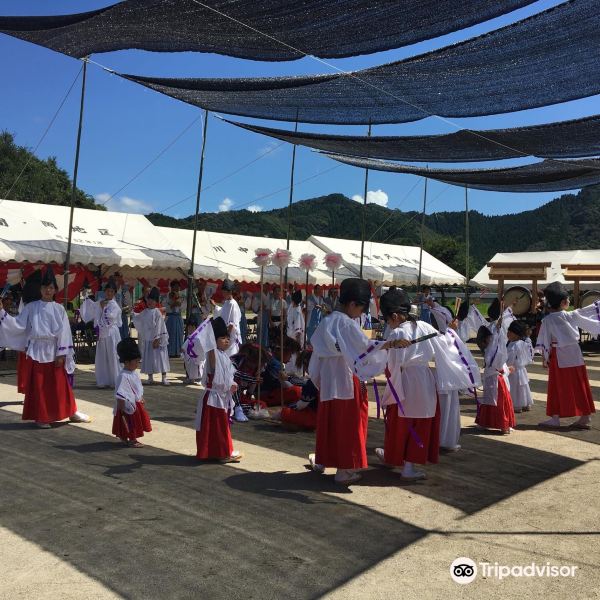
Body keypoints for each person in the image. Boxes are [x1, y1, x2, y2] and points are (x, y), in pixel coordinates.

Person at [375, 289, 480, 479]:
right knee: (420, 423)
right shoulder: (425, 326)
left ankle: (394, 456)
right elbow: (445, 341)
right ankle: (408, 466)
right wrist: (451, 331)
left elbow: (389, 362)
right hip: (424, 379)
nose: (388, 323)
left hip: (404, 379)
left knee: (400, 423)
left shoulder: (397, 332)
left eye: (388, 319)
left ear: (395, 316)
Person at [308, 278, 396, 485]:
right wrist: (388, 345)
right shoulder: (346, 323)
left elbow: (317, 358)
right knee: (350, 425)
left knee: (332, 423)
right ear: (352, 304)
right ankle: (345, 470)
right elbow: (364, 348)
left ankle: (327, 461)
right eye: (362, 308)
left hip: (330, 382)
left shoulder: (327, 321)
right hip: (347, 380)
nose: (362, 313)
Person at [0, 266, 90, 428]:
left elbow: (64, 332)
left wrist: (62, 354)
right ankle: (42, 416)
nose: (48, 290)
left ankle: (71, 411)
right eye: (45, 287)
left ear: (55, 290)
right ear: (40, 289)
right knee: (40, 385)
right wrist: (2, 313)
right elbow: (18, 325)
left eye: (51, 288)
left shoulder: (59, 309)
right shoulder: (31, 307)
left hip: (55, 349)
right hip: (37, 349)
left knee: (61, 385)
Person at [535, 281, 600, 429]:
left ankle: (555, 417)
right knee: (580, 383)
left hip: (558, 355)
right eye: (568, 300)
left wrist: (545, 359)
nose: (569, 302)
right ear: (563, 302)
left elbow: (544, 341)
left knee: (557, 386)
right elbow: (592, 312)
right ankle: (585, 416)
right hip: (575, 353)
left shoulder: (547, 320)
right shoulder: (573, 315)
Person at [195, 317, 243, 462]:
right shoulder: (213, 353)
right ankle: (222, 453)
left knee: (219, 426)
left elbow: (228, 375)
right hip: (213, 397)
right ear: (214, 340)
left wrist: (232, 384)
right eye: (222, 338)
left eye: (228, 338)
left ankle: (217, 451)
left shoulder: (224, 356)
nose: (226, 341)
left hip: (221, 396)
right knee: (216, 427)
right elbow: (216, 373)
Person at [80, 277, 122, 388]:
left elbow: (110, 318)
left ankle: (114, 379)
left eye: (111, 291)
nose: (109, 293)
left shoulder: (115, 306)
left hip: (111, 333)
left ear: (114, 293)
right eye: (107, 291)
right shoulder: (100, 302)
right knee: (103, 356)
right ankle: (103, 380)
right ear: (105, 292)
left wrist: (103, 309)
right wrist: (86, 298)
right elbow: (92, 309)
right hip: (102, 333)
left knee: (112, 356)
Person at [475, 320, 516, 435]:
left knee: (490, 400)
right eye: (490, 337)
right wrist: (498, 330)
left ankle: (485, 422)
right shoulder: (491, 351)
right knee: (500, 402)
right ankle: (503, 425)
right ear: (486, 339)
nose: (492, 338)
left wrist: (498, 328)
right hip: (496, 379)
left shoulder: (490, 350)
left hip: (492, 378)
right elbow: (498, 345)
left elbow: (498, 343)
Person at [112, 338, 151, 447]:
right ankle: (132, 439)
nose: (137, 364)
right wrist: (122, 406)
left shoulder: (133, 373)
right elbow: (121, 392)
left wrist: (140, 396)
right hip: (126, 405)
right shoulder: (123, 376)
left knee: (132, 422)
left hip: (134, 403)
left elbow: (137, 387)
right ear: (127, 362)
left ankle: (126, 437)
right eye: (136, 361)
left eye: (138, 361)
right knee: (130, 423)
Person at [132, 287, 170, 385]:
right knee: (149, 357)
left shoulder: (157, 312)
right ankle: (150, 377)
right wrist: (133, 313)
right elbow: (138, 318)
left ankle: (164, 377)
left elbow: (159, 326)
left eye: (153, 300)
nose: (150, 302)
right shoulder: (145, 312)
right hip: (149, 339)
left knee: (161, 358)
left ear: (156, 302)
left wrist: (157, 338)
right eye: (149, 299)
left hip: (157, 339)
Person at [506, 320, 534, 413]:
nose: (508, 334)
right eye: (508, 331)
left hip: (513, 369)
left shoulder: (514, 345)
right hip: (521, 369)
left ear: (517, 334)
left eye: (510, 332)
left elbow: (509, 359)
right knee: (522, 388)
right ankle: (525, 403)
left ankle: (516, 405)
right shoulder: (524, 343)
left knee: (514, 388)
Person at [216, 279, 242, 357]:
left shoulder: (233, 304)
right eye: (222, 292)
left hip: (230, 336)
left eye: (224, 292)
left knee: (230, 357)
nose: (223, 294)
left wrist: (226, 336)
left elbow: (232, 323)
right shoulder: (226, 302)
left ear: (230, 292)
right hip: (225, 334)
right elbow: (222, 313)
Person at [165, 280, 184, 358]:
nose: (177, 288)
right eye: (175, 287)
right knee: (171, 334)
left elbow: (183, 307)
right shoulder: (167, 296)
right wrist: (172, 304)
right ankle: (170, 352)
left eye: (178, 287)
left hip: (178, 317)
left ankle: (178, 352)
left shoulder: (181, 296)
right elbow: (165, 307)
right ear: (171, 287)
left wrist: (178, 303)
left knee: (179, 334)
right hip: (170, 317)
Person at [181, 316, 203, 385]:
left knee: (199, 367)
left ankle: (201, 379)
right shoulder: (189, 336)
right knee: (190, 367)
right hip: (190, 356)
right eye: (189, 327)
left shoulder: (198, 336)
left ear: (196, 327)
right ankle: (191, 378)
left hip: (197, 355)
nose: (190, 329)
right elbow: (184, 347)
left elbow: (200, 346)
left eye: (192, 327)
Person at [113, 272, 132, 340]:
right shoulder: (110, 291)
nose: (117, 282)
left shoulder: (124, 290)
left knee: (123, 337)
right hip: (113, 318)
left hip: (122, 317)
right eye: (115, 280)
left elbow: (129, 305)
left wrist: (125, 309)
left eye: (118, 279)